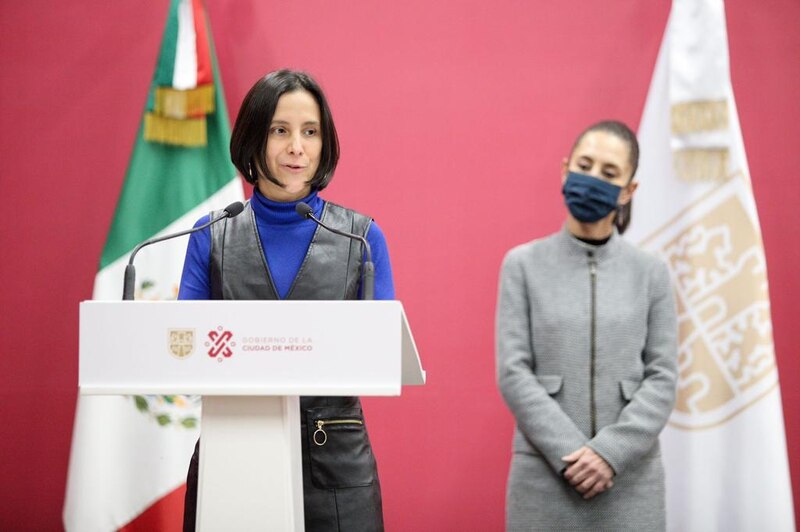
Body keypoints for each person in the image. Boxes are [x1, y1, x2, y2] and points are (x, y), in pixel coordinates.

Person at [179, 69, 392, 531]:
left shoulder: (362, 238)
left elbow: (382, 355)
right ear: (254, 136)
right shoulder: (210, 235)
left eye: (310, 132)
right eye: (281, 130)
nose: (297, 147)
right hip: (232, 451)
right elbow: (185, 355)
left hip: (335, 462)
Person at [495, 120, 678, 531]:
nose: (593, 179)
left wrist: (610, 452)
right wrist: (574, 453)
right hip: (544, 475)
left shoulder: (651, 274)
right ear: (565, 169)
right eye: (585, 165)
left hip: (631, 480)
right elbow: (513, 372)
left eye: (609, 173)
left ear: (629, 190)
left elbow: (663, 376)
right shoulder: (522, 265)